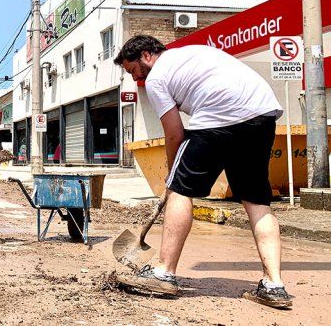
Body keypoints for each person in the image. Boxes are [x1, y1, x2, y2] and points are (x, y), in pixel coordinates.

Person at [114, 35, 291, 308]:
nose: (134, 76)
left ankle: (164, 273)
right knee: (256, 200)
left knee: (181, 194)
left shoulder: (157, 77)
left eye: (132, 69)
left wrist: (173, 175)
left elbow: (174, 133)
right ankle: (274, 285)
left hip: (219, 116)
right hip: (261, 116)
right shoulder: (193, 53)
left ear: (146, 55)